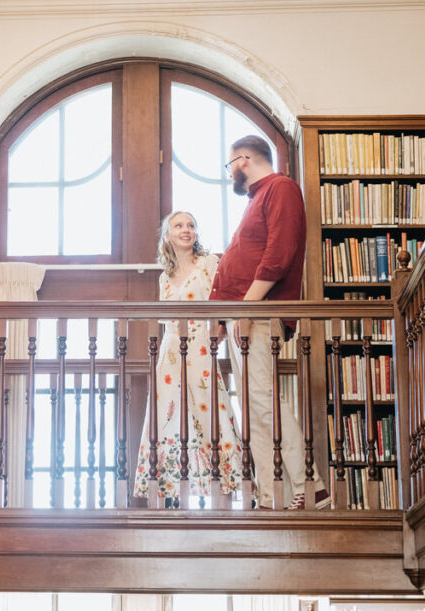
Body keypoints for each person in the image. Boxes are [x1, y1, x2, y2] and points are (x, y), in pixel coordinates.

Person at [210, 134, 329, 510]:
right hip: (243, 315)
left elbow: (279, 253)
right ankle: (270, 495)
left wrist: (247, 309)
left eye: (229, 165)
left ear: (243, 160)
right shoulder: (256, 198)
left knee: (262, 401)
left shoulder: (281, 188)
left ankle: (311, 486)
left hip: (257, 315)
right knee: (253, 406)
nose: (230, 172)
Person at [134, 210, 244, 503]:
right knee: (168, 414)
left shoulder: (208, 263)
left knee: (211, 410)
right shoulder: (164, 277)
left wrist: (219, 328)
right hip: (171, 351)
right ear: (167, 235)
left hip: (200, 346)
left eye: (191, 225)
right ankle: (168, 488)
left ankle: (226, 485)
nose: (186, 230)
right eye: (179, 225)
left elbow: (221, 299)